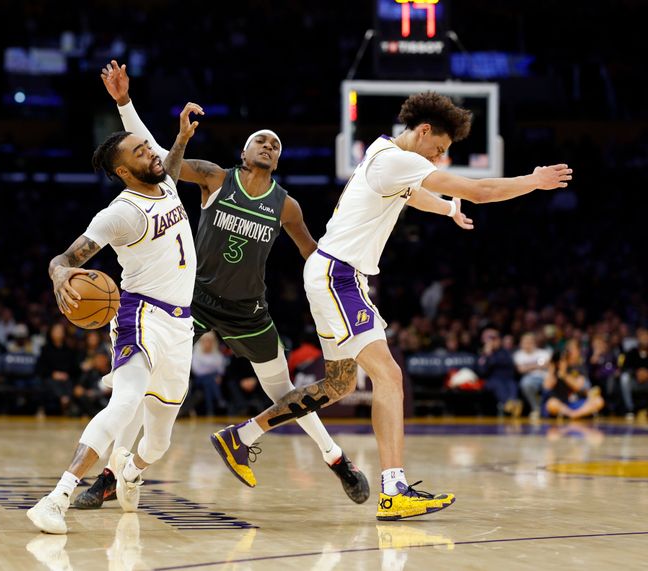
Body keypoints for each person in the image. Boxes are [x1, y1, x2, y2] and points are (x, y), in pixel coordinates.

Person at [210, 91, 573, 521]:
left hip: (334, 273)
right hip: (339, 276)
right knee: (389, 374)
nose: (439, 159)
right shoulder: (394, 160)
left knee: (340, 386)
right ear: (423, 132)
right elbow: (480, 190)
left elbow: (410, 194)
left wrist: (444, 210)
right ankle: (394, 488)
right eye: (438, 149)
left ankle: (243, 435)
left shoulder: (384, 154)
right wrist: (532, 181)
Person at [73, 59, 370, 509]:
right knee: (141, 380)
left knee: (284, 390)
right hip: (192, 300)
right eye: (260, 140)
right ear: (244, 152)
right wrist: (125, 104)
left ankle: (336, 459)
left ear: (278, 158)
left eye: (275, 144)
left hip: (248, 309)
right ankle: (111, 476)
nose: (268, 144)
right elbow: (158, 159)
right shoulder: (215, 177)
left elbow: (314, 253)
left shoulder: (286, 205)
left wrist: (345, 276)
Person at [27, 103, 199, 534]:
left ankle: (131, 472)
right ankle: (56, 498)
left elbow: (171, 168)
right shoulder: (120, 213)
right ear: (123, 171)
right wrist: (59, 272)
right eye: (140, 152)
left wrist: (178, 139)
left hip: (181, 326)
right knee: (124, 403)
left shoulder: (166, 185)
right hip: (139, 314)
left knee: (158, 443)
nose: (150, 153)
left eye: (148, 146)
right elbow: (66, 256)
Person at [543, 338, 604, 419]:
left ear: (579, 351)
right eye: (568, 349)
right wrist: (552, 367)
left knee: (598, 401)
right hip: (562, 403)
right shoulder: (558, 366)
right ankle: (573, 414)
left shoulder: (580, 367)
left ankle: (575, 414)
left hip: (579, 402)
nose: (570, 352)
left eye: (572, 349)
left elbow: (578, 386)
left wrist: (564, 375)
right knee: (551, 403)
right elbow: (546, 386)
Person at [477, 328, 521, 417]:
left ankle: (513, 403)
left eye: (495, 339)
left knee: (512, 384)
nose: (493, 342)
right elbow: (482, 371)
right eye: (491, 339)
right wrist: (488, 355)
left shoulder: (505, 352)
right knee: (497, 384)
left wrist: (492, 359)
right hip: (491, 380)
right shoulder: (483, 353)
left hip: (507, 379)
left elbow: (509, 365)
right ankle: (508, 405)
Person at [514, 332, 552, 420]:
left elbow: (548, 365)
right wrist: (537, 365)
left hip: (544, 377)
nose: (527, 344)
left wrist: (528, 366)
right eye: (525, 342)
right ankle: (536, 409)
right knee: (525, 383)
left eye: (529, 342)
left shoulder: (543, 353)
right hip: (529, 379)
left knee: (550, 384)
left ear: (534, 343)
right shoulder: (518, 355)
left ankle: (547, 409)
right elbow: (521, 369)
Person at [618, 327, 648, 421]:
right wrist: (636, 373)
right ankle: (630, 408)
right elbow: (624, 368)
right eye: (642, 337)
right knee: (624, 378)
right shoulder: (631, 352)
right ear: (638, 339)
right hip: (635, 383)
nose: (644, 339)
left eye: (646, 337)